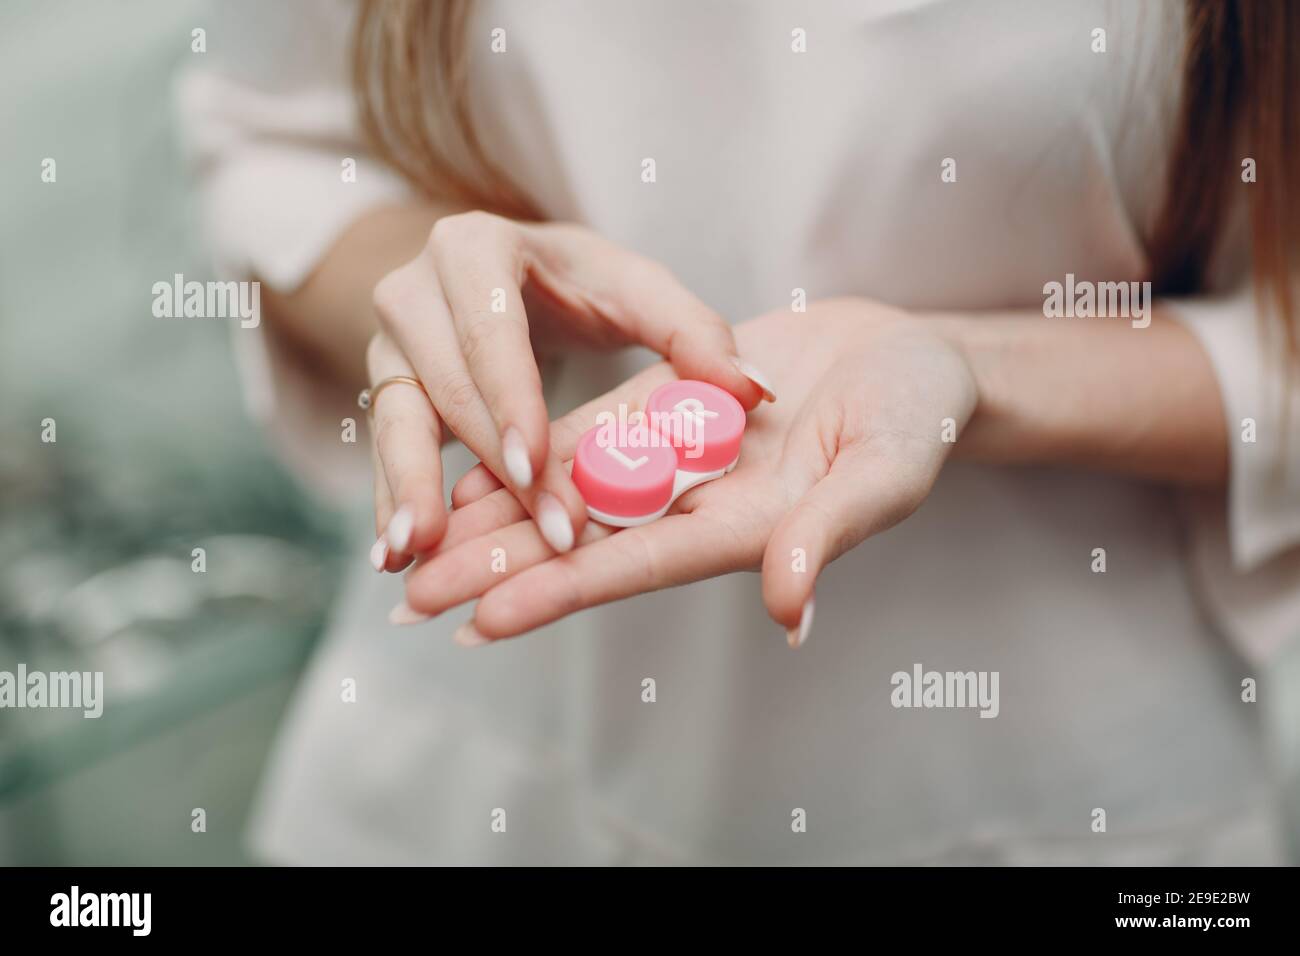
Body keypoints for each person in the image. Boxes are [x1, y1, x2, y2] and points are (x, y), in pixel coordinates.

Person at [177, 0, 1300, 864]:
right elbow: (275, 156)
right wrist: (449, 288)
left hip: (1054, 775)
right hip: (491, 741)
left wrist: (971, 371)